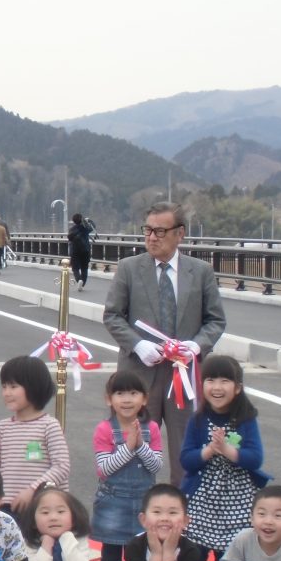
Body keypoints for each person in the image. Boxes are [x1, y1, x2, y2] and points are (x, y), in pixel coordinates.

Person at [103, 201, 226, 486]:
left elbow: (216, 320)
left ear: (179, 233)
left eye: (160, 231)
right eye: (147, 230)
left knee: (186, 448)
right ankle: (135, 515)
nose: (152, 237)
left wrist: (196, 346)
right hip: (139, 375)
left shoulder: (201, 271)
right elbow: (112, 315)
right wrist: (138, 345)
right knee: (134, 444)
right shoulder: (129, 269)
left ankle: (182, 515)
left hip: (184, 377)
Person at [181, 355, 270, 561]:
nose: (217, 387)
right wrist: (208, 451)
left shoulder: (245, 419)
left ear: (238, 387)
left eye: (224, 380)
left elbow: (255, 458)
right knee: (194, 555)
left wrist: (230, 452)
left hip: (237, 499)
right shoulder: (197, 420)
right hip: (203, 498)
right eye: (210, 380)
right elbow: (186, 459)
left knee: (227, 560)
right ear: (201, 384)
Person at [90, 370, 163, 561]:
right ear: (109, 399)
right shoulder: (104, 429)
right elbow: (104, 469)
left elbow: (156, 466)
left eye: (133, 393)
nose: (127, 399)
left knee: (140, 555)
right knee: (111, 554)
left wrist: (140, 445)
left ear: (144, 399)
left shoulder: (151, 428)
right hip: (113, 500)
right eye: (120, 393)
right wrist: (128, 446)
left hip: (144, 501)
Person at [0, 356, 71, 516]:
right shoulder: (4, 426)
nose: (6, 393)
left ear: (34, 387)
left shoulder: (49, 425)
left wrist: (33, 490)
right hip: (6, 506)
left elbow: (61, 466)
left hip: (42, 506)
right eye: (4, 387)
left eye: (13, 386)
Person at [67, 213, 94, 291]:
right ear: (82, 219)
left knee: (75, 268)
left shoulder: (72, 229)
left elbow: (70, 237)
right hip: (85, 250)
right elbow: (93, 227)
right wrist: (89, 220)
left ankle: (79, 280)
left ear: (74, 221)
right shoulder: (85, 228)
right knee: (84, 268)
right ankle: (82, 284)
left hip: (75, 251)